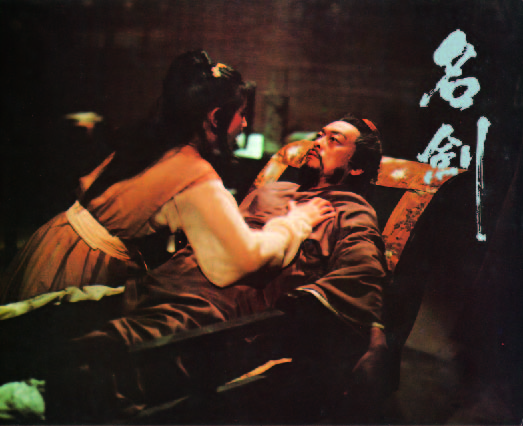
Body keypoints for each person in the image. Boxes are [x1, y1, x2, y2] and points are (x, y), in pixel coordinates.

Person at [36, 113, 389, 423]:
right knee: (81, 311)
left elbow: (363, 272)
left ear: (356, 166)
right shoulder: (273, 190)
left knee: (136, 343)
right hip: (180, 274)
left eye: (334, 140)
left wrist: (375, 337)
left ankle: (44, 395)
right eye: (319, 134)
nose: (318, 142)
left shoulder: (351, 211)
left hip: (226, 300)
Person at [0, 50, 333, 304]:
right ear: (216, 117)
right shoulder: (193, 173)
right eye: (241, 115)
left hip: (54, 243)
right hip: (83, 266)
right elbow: (241, 258)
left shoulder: (152, 138)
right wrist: (295, 223)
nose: (245, 124)